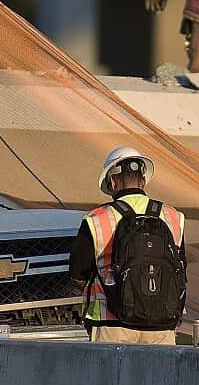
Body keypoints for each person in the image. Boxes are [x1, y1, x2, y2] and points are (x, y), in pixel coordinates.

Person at [68, 147, 188, 344]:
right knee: (159, 376)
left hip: (111, 324)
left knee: (111, 376)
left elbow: (77, 273)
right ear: (143, 181)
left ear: (112, 182)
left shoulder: (97, 219)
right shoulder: (174, 216)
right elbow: (181, 269)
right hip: (163, 325)